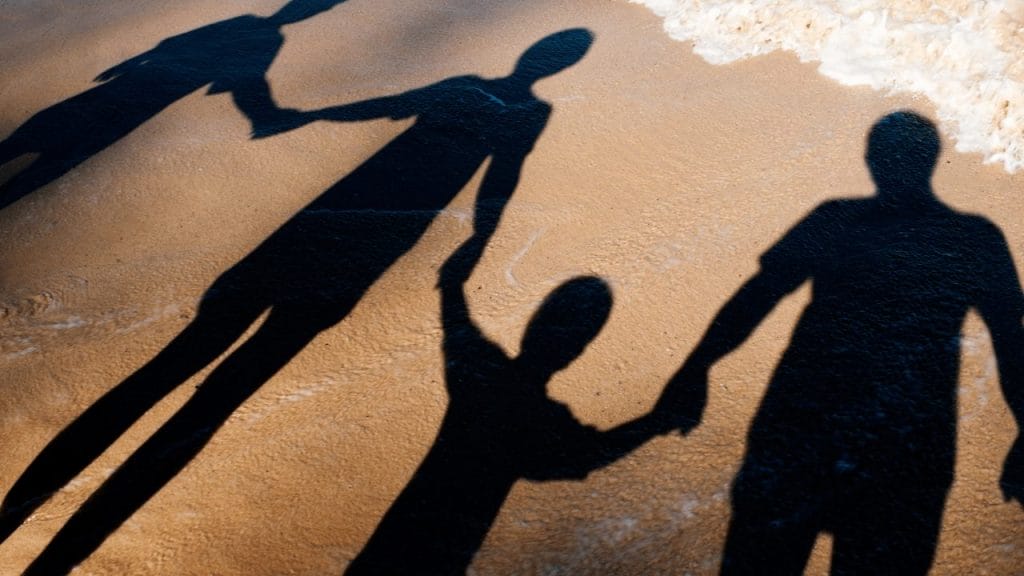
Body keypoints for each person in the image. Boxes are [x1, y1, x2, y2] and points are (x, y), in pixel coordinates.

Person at [9, 29, 598, 575]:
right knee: (217, 399)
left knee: (166, 367)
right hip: (364, 251)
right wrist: (475, 242)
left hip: (310, 230)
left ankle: (9, 517)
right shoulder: (525, 114)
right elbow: (502, 179)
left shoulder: (466, 89)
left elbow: (380, 107)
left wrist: (301, 117)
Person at [656, 111, 1024, 575]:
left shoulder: (834, 219)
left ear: (870, 161)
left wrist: (696, 367)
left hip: (800, 432)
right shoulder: (977, 238)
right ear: (932, 162)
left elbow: (758, 295)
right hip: (907, 451)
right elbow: (1012, 342)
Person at [345, 232, 669, 576]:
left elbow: (457, 326)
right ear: (576, 354)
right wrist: (655, 423)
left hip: (388, 545)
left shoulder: (479, 373)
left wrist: (451, 284)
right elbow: (589, 454)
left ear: (530, 329)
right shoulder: (537, 417)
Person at [0, 0, 345, 209]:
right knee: (47, 159)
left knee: (25, 140)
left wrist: (132, 62)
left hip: (123, 90)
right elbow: (244, 82)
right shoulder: (264, 37)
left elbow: (170, 43)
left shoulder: (246, 24)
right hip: (139, 103)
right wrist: (263, 116)